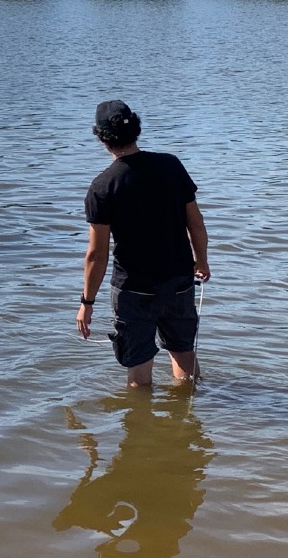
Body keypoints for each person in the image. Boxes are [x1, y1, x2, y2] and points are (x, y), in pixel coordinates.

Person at [77, 100, 211, 387]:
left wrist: (87, 303)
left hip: (134, 289)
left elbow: (96, 255)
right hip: (179, 282)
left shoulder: (102, 186)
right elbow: (196, 223)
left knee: (138, 373)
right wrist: (201, 261)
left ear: (100, 137)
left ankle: (143, 417)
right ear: (136, 129)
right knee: (184, 356)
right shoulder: (171, 165)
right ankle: (188, 412)